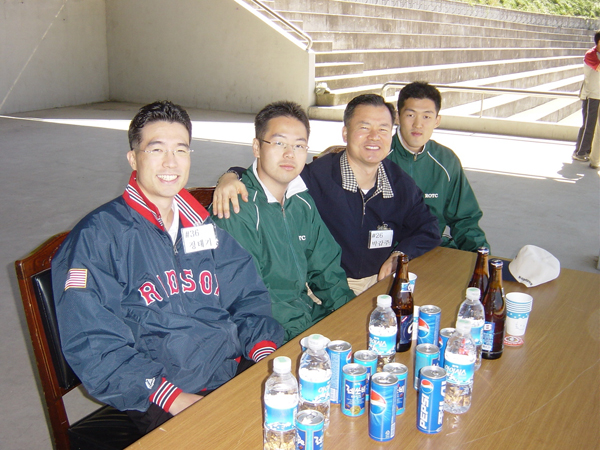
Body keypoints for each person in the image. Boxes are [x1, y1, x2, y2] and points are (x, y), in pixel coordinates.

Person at [51, 101, 284, 435]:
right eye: (156, 149)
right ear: (133, 158)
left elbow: (246, 292)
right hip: (157, 391)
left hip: (227, 368)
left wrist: (262, 351)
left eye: (181, 150)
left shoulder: (200, 224)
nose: (170, 162)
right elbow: (92, 340)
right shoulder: (99, 236)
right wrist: (169, 396)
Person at [213, 94, 440, 294]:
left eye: (383, 129)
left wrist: (400, 253)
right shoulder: (316, 177)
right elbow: (272, 174)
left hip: (381, 282)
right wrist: (232, 175)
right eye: (364, 127)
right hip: (330, 285)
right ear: (345, 133)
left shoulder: (400, 183)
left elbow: (429, 227)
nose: (374, 137)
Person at [211, 101, 355, 341]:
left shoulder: (301, 201)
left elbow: (327, 271)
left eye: (299, 145)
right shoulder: (236, 208)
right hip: (266, 334)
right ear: (257, 147)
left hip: (305, 317)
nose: (290, 154)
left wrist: (351, 314)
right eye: (279, 143)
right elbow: (246, 300)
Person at [389, 81, 490, 252]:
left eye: (426, 117)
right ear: (398, 117)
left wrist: (482, 257)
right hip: (385, 253)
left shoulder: (446, 160)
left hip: (431, 249)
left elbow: (465, 220)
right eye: (410, 115)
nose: (418, 124)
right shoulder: (378, 155)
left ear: (437, 120)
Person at [572, 31, 600, 163]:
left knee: (595, 126)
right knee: (589, 125)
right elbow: (598, 67)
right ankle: (580, 152)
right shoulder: (591, 54)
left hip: (598, 94)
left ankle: (589, 151)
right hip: (591, 95)